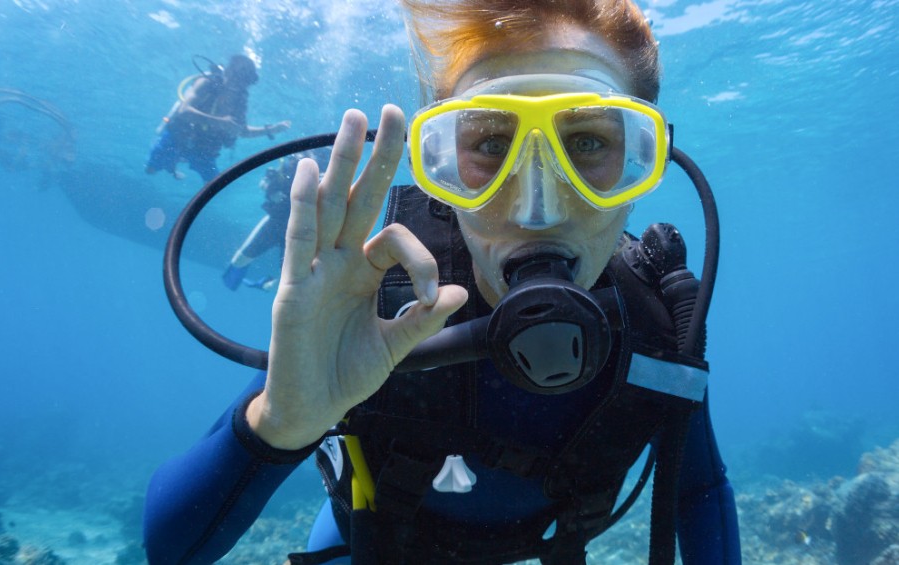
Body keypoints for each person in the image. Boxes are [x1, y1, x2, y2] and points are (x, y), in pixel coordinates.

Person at [143, 1, 742, 564]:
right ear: (441, 170)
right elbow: (169, 549)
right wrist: (279, 422)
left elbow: (699, 490)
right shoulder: (373, 305)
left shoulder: (660, 327)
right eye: (489, 143)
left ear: (645, 160)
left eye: (587, 142)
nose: (539, 209)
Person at [145, 54, 291, 183]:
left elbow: (242, 131)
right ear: (227, 72)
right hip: (177, 139)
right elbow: (183, 111)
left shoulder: (240, 101)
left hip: (204, 151)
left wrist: (270, 130)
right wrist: (220, 122)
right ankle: (172, 165)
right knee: (150, 170)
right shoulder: (207, 83)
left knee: (214, 184)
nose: (239, 87)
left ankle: (176, 164)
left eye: (244, 83)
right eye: (237, 79)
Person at [222, 149, 331, 291]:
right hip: (276, 221)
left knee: (290, 276)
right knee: (238, 261)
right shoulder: (290, 164)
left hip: (301, 229)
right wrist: (271, 191)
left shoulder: (328, 173)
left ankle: (267, 286)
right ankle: (253, 283)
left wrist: (323, 184)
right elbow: (264, 182)